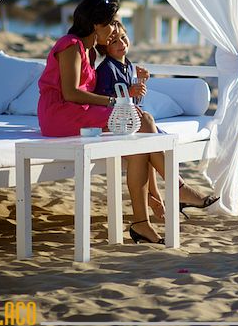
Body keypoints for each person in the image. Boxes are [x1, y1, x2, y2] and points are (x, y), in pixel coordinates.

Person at [37, 0, 216, 245]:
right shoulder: (71, 45)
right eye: (110, 24)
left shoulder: (87, 50)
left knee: (139, 140)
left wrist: (130, 88)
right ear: (96, 24)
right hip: (60, 114)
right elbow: (71, 93)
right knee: (139, 119)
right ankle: (175, 188)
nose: (113, 31)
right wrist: (115, 103)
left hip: (78, 112)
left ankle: (143, 222)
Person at [93, 21, 219, 222]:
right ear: (104, 47)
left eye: (123, 38)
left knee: (147, 133)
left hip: (127, 122)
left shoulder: (128, 66)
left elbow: (133, 101)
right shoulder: (106, 69)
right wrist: (129, 91)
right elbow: (104, 100)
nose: (121, 43)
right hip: (111, 124)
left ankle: (160, 196)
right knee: (147, 123)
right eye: (114, 41)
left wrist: (139, 84)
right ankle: (176, 189)